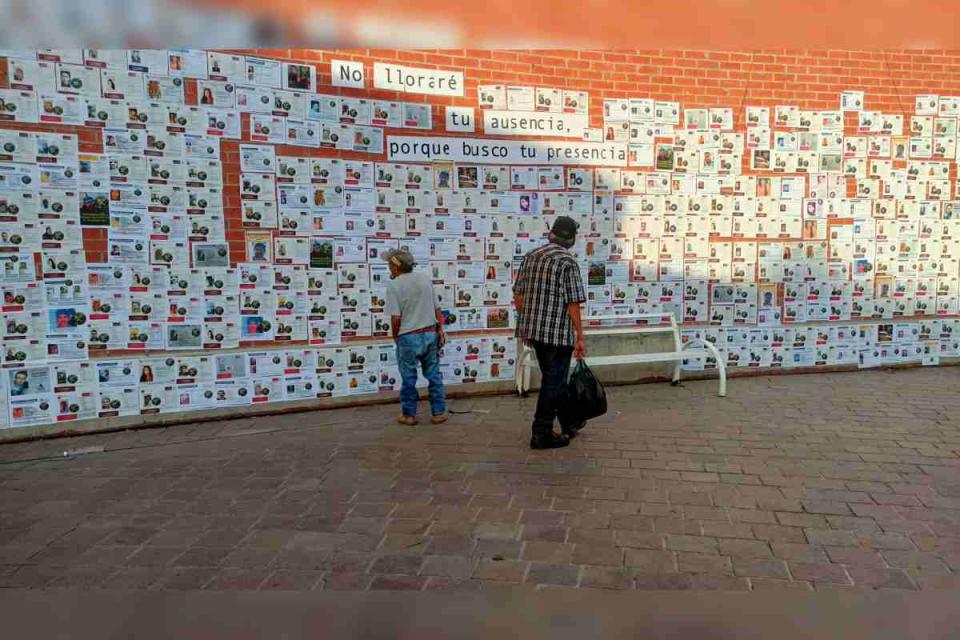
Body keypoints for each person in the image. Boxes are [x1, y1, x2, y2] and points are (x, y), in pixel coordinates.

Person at [513, 215, 588, 450]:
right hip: (557, 334)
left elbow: (519, 294)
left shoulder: (531, 256)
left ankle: (570, 421)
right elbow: (573, 303)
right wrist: (580, 337)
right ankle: (541, 432)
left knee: (554, 380)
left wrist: (526, 323)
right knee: (553, 383)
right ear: (571, 239)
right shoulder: (567, 262)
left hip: (535, 331)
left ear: (552, 234)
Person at [384, 248, 446, 426]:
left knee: (409, 378)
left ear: (396, 267)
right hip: (429, 333)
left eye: (390, 265)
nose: (389, 268)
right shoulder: (425, 279)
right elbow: (437, 309)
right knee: (434, 375)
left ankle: (409, 415)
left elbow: (396, 318)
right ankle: (438, 413)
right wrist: (440, 329)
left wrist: (396, 337)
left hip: (408, 336)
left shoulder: (394, 285)